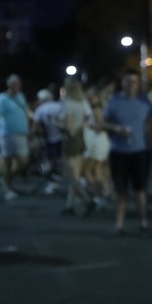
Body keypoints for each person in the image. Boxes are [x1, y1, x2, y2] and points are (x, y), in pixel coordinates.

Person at [103, 70, 152, 234]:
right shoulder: (115, 101)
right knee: (120, 190)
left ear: (138, 84)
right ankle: (119, 224)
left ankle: (144, 221)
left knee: (140, 189)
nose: (131, 84)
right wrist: (116, 128)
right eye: (128, 81)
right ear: (123, 83)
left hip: (139, 150)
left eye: (134, 81)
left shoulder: (144, 102)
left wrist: (151, 141)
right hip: (119, 151)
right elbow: (104, 122)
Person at [0, 74, 31, 201]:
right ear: (10, 85)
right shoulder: (2, 98)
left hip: (21, 133)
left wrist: (28, 127)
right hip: (6, 134)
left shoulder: (21, 96)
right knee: (6, 160)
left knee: (23, 160)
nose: (17, 86)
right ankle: (8, 188)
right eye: (15, 84)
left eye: (19, 84)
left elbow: (26, 112)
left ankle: (7, 177)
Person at [58, 78, 95, 216]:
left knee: (71, 175)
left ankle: (87, 200)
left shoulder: (68, 104)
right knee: (76, 174)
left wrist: (56, 123)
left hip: (70, 141)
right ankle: (69, 206)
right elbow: (88, 118)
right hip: (81, 139)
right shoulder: (82, 103)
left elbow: (68, 127)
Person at [32, 87, 63, 195]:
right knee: (60, 162)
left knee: (50, 162)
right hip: (62, 138)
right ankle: (56, 181)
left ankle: (52, 184)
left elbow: (35, 126)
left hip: (50, 139)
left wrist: (34, 134)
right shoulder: (59, 106)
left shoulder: (40, 109)